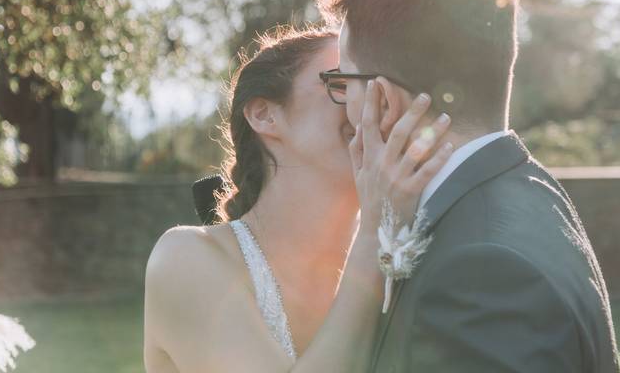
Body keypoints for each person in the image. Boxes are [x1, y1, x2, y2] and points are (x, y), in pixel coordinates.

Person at [316, 0, 620, 372]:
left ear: (382, 100)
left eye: (345, 82)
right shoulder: (535, 194)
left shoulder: (479, 274)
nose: (344, 106)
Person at [143, 25, 454, 372]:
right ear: (264, 114)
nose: (368, 107)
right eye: (342, 83)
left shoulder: (404, 256)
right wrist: (374, 233)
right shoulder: (184, 260)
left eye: (378, 87)